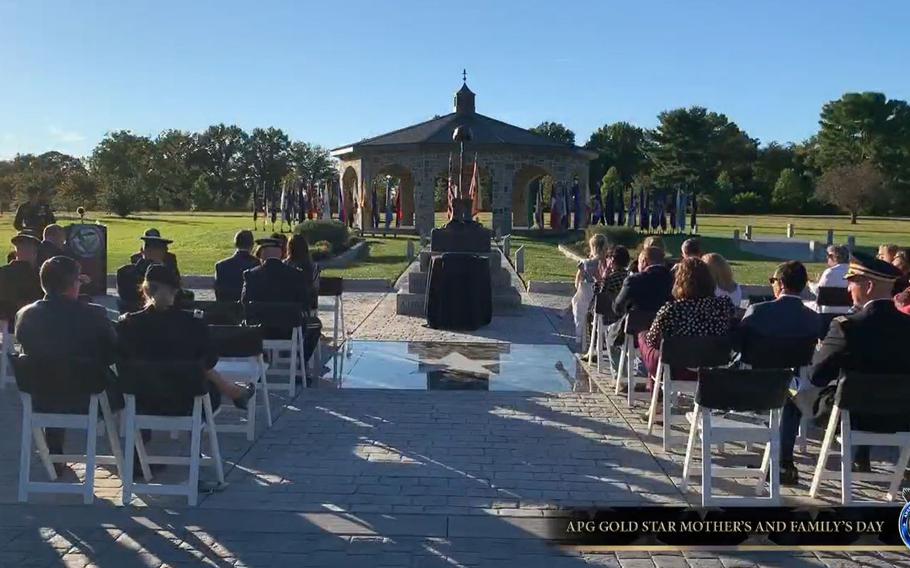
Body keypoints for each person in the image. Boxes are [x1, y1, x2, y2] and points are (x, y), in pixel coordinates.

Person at [780, 252, 910, 485]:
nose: (848, 289)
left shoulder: (847, 327)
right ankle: (861, 458)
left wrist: (824, 350)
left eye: (852, 282)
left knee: (791, 389)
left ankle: (783, 463)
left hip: (850, 416)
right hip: (899, 418)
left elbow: (817, 375)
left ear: (869, 286)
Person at [15, 256, 119, 461]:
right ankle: (135, 458)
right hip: (87, 397)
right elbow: (113, 352)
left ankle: (54, 451)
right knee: (129, 390)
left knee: (52, 369)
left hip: (40, 396)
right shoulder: (93, 315)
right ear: (73, 285)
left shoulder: (25, 316)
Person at [117, 264, 255, 411]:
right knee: (201, 372)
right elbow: (210, 360)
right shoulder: (193, 323)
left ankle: (234, 391)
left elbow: (120, 359)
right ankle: (234, 392)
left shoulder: (129, 323)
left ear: (144, 290)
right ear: (176, 291)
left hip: (141, 401)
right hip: (188, 401)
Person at [641, 257, 734, 382]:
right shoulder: (724, 305)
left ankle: (654, 389)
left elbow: (652, 340)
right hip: (714, 366)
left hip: (678, 369)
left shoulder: (672, 309)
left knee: (643, 337)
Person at [737, 261, 821, 346]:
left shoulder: (756, 311)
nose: (772, 285)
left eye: (773, 281)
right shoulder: (814, 319)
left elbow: (738, 343)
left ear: (781, 283)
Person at [117, 231, 176, 313]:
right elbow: (130, 298)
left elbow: (177, 292)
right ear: (142, 251)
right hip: (138, 316)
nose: (154, 253)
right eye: (150, 249)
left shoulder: (168, 270)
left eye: (160, 249)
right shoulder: (126, 272)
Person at [0, 233, 44, 327]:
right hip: (32, 321)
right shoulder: (39, 274)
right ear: (35, 253)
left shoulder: (3, 271)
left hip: (6, 323)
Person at [572, 234, 608, 346]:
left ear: (592, 248)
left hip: (586, 301)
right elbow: (603, 282)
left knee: (579, 301)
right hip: (604, 302)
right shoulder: (608, 264)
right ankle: (600, 338)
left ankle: (584, 336)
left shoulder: (585, 264)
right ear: (604, 248)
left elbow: (577, 282)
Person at [214, 230, 260, 302]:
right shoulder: (258, 264)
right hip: (249, 309)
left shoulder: (221, 265)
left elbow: (218, 293)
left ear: (236, 244)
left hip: (227, 309)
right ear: (252, 245)